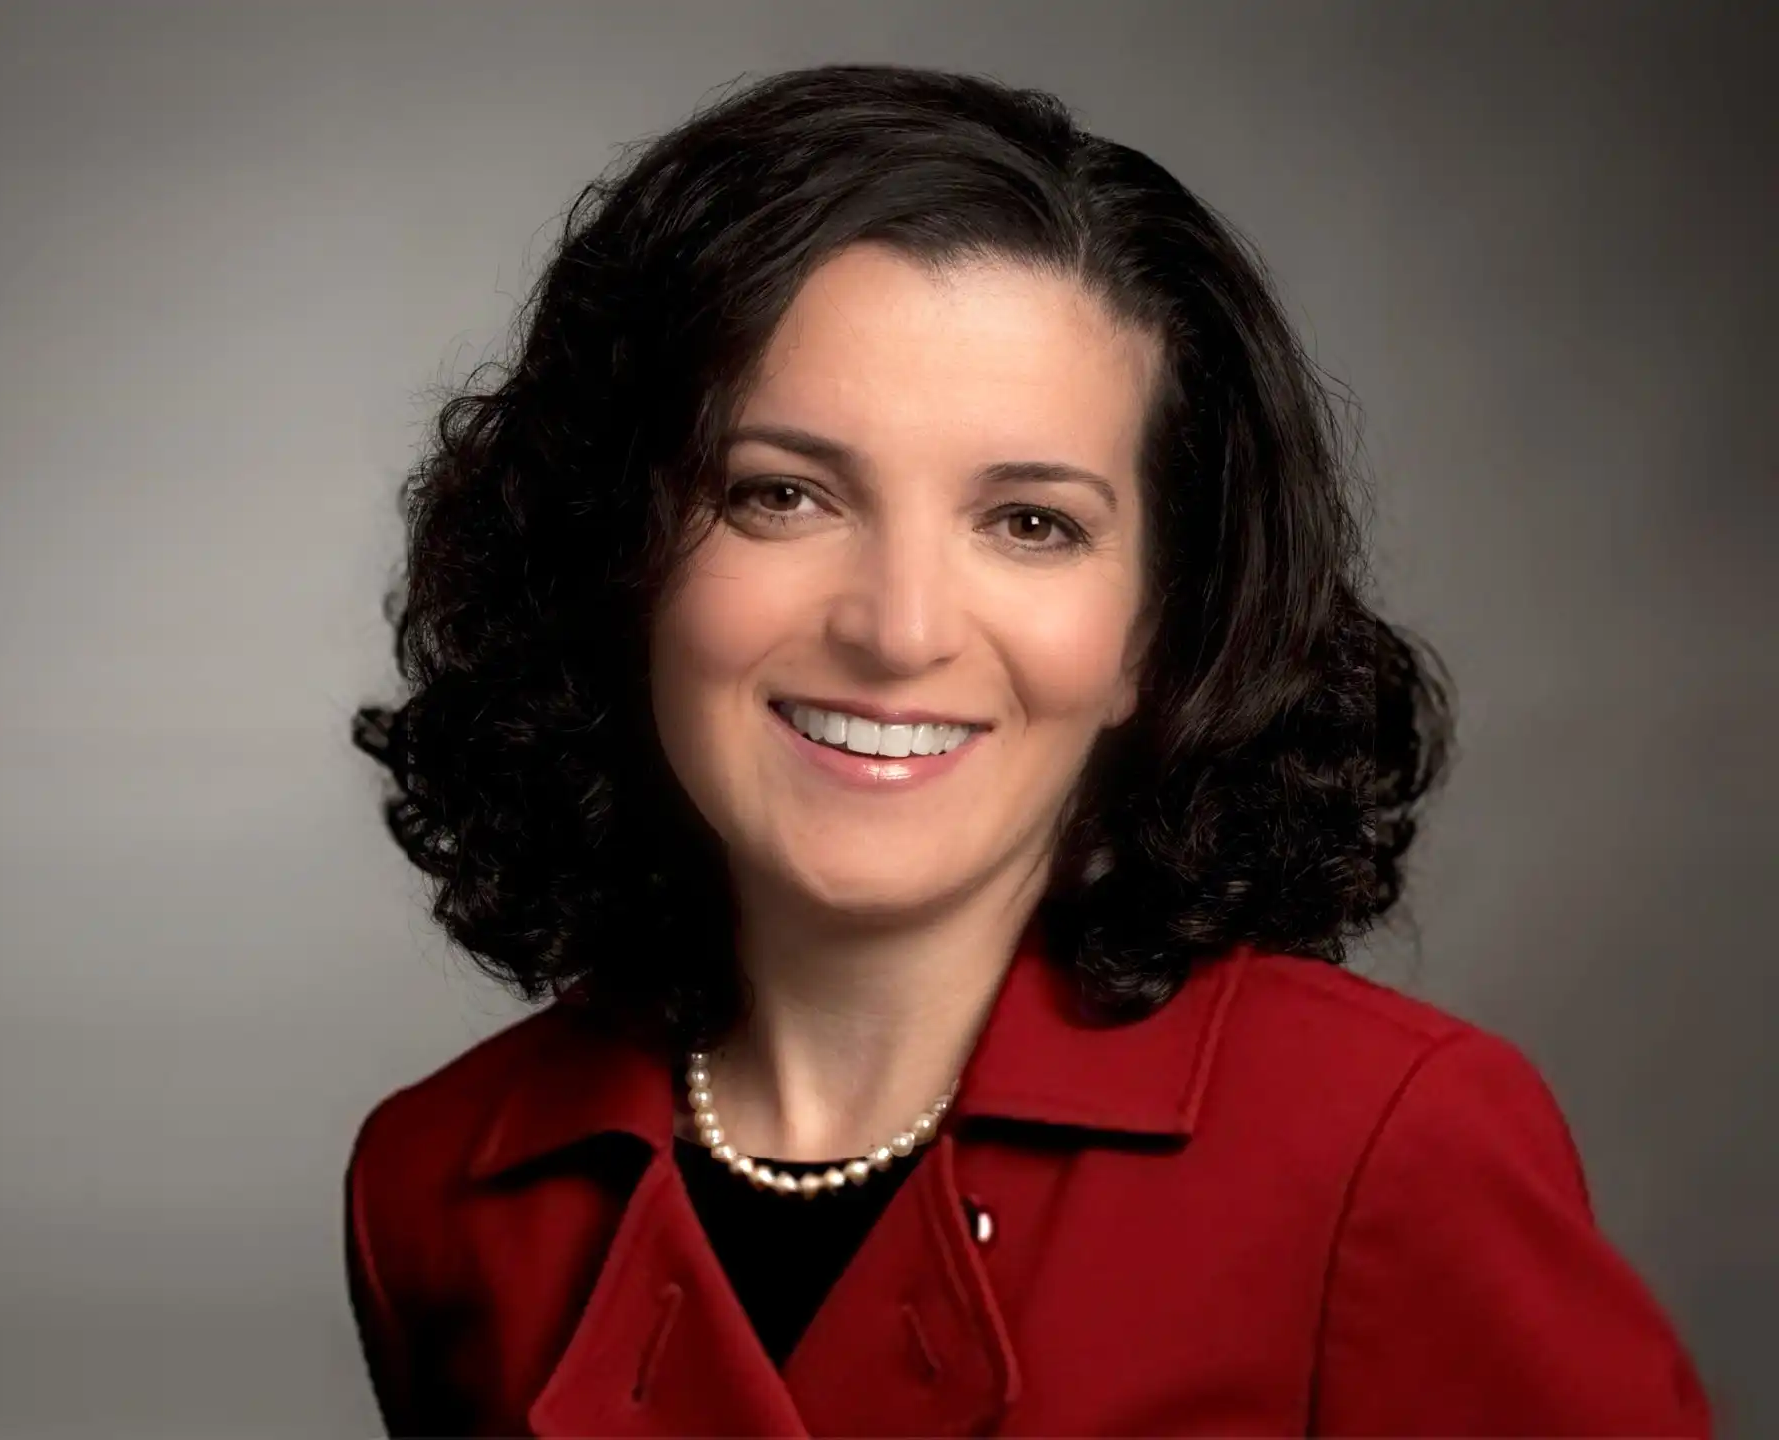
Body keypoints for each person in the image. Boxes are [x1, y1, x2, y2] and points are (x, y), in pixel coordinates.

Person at [341, 63, 1712, 1437]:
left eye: (1032, 524)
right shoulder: (441, 1184)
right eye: (784, 494)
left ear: (1152, 634)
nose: (899, 629)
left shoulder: (1383, 1147)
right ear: (622, 557)